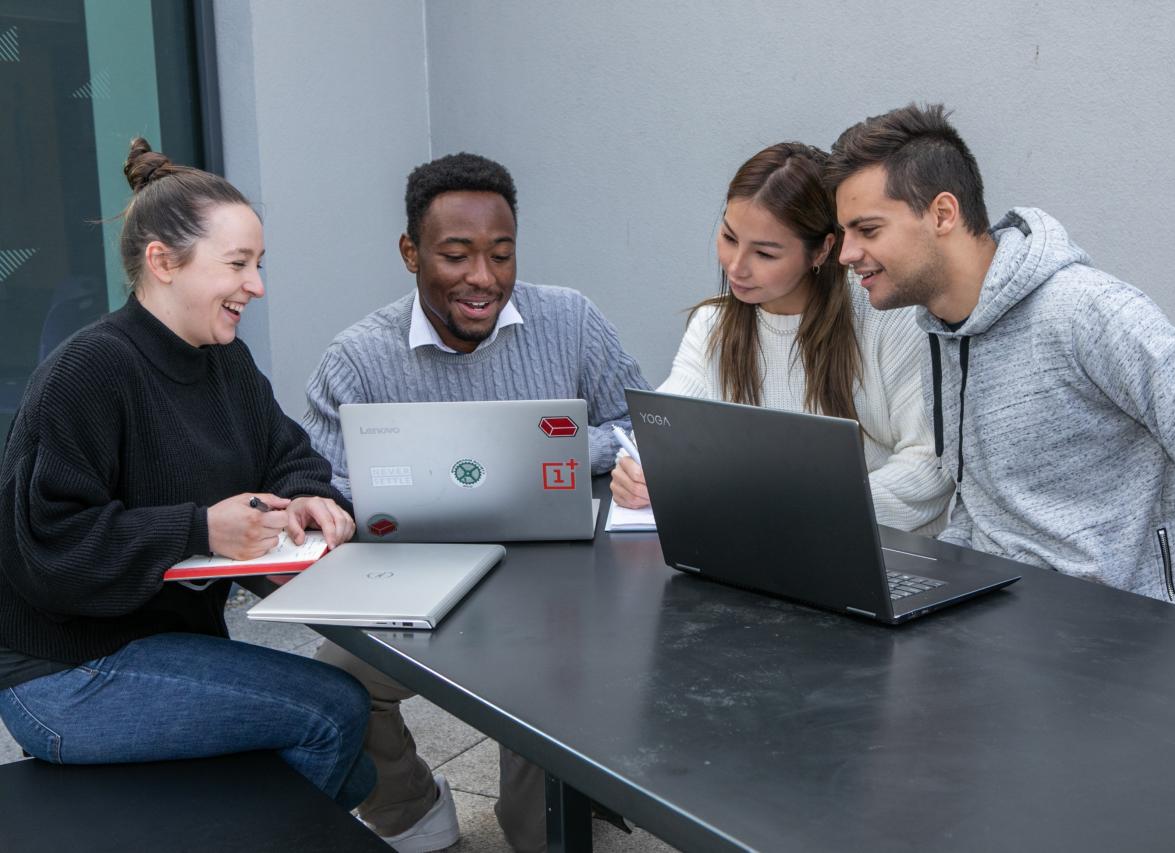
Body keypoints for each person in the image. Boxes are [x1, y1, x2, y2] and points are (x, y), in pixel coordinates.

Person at [0, 139, 372, 806]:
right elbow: (48, 547)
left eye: (259, 264)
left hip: (160, 647)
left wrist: (310, 497)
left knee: (356, 764)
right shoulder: (89, 371)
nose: (256, 286)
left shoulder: (225, 362)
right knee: (333, 713)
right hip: (67, 673)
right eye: (238, 264)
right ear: (163, 261)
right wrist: (200, 527)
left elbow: (287, 455)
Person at [303, 152, 649, 852]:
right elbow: (325, 494)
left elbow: (641, 422)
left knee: (540, 823)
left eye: (501, 254)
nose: (483, 279)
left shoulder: (572, 319)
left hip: (556, 582)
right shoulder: (355, 359)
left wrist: (560, 453)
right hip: (412, 583)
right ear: (411, 252)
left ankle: (548, 818)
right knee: (332, 682)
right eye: (457, 255)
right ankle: (408, 809)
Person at [826, 103, 1175, 616]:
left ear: (943, 214)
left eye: (867, 230)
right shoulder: (941, 328)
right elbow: (987, 506)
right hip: (987, 630)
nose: (846, 253)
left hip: (1110, 647)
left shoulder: (1089, 313)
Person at [610, 142, 953, 534]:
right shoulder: (713, 326)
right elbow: (662, 431)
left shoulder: (887, 319)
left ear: (822, 250)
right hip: (757, 551)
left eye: (765, 254)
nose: (736, 267)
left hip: (883, 553)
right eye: (728, 236)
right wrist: (639, 470)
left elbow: (929, 466)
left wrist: (795, 510)